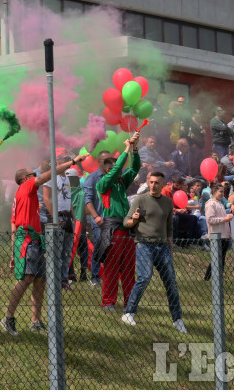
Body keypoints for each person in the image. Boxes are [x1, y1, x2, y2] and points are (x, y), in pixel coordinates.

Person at [0, 154, 87, 336]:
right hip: (28, 239)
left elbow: (13, 222)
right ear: (25, 178)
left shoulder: (26, 194)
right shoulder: (26, 185)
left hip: (35, 239)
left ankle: (36, 321)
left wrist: (12, 253)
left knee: (40, 279)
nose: (37, 175)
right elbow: (47, 175)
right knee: (27, 278)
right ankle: (8, 318)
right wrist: (72, 162)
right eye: (33, 174)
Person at [122, 171, 186, 333]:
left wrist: (170, 247)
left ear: (163, 184)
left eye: (157, 182)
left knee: (171, 281)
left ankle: (177, 319)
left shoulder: (167, 202)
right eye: (151, 182)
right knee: (144, 277)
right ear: (148, 182)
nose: (153, 185)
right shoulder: (140, 199)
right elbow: (126, 223)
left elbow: (169, 226)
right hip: (144, 244)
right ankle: (128, 313)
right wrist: (134, 219)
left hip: (163, 246)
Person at [95, 137, 140, 311]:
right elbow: (117, 170)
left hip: (127, 230)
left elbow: (135, 168)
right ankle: (108, 302)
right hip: (113, 231)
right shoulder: (103, 184)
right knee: (111, 269)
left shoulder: (121, 182)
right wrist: (126, 148)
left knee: (129, 269)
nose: (118, 169)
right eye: (113, 167)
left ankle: (130, 302)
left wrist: (134, 150)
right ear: (108, 170)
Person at [43, 158, 75, 290]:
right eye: (64, 161)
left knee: (67, 253)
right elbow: (46, 199)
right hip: (58, 216)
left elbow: (70, 197)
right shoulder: (51, 176)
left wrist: (74, 216)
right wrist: (55, 218)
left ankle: (64, 281)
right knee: (56, 252)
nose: (67, 163)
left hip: (68, 217)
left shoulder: (69, 178)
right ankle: (54, 282)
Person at [84, 150, 113, 287]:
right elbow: (88, 200)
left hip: (113, 220)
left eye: (111, 160)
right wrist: (96, 217)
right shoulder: (93, 178)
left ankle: (109, 276)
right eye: (106, 160)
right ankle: (95, 277)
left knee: (111, 249)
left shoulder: (114, 176)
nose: (110, 163)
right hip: (99, 221)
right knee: (99, 248)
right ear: (100, 162)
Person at [203, 183, 234, 281]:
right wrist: (224, 219)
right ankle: (207, 279)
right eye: (220, 191)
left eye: (223, 192)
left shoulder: (220, 204)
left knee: (221, 260)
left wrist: (228, 233)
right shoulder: (210, 204)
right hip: (216, 236)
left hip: (223, 236)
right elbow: (210, 220)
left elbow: (224, 221)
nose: (222, 194)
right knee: (216, 260)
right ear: (213, 192)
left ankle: (218, 279)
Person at [182, 108, 207, 176]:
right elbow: (186, 133)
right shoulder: (189, 122)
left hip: (200, 145)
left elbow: (200, 133)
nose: (200, 115)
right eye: (199, 114)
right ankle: (194, 177)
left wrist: (203, 132)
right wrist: (191, 143)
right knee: (193, 163)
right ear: (194, 114)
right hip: (193, 146)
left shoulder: (199, 122)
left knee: (200, 162)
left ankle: (200, 175)